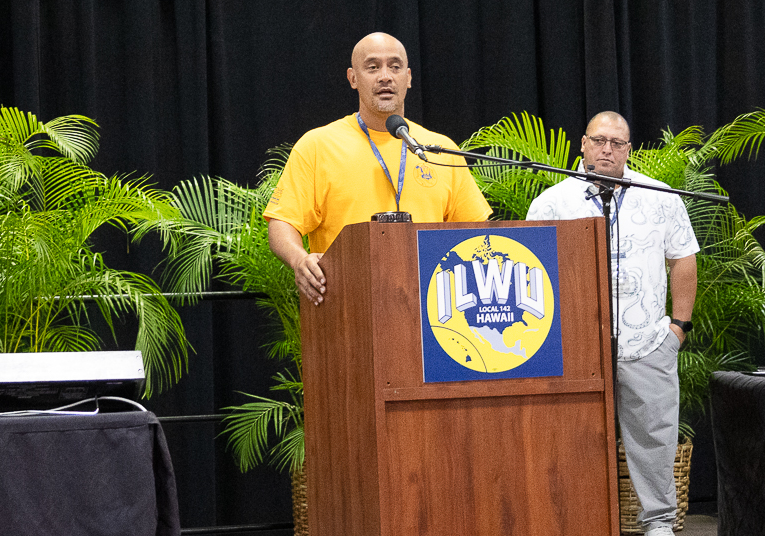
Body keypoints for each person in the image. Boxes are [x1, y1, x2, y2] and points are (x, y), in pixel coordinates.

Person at [526, 112, 697, 536]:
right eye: (599, 140)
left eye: (617, 143)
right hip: (575, 346)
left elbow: (683, 258)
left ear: (629, 150)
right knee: (572, 439)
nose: (607, 150)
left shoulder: (659, 196)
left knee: (654, 436)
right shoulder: (552, 202)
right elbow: (531, 270)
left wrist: (678, 327)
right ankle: (575, 521)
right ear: (583, 144)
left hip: (647, 342)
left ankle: (658, 523)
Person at [265, 32, 492, 305]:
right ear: (353, 78)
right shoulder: (317, 146)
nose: (385, 76)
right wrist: (299, 260)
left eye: (395, 67)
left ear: (408, 77)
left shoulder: (438, 149)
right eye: (373, 67)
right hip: (347, 305)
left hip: (432, 306)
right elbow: (282, 223)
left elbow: (477, 232)